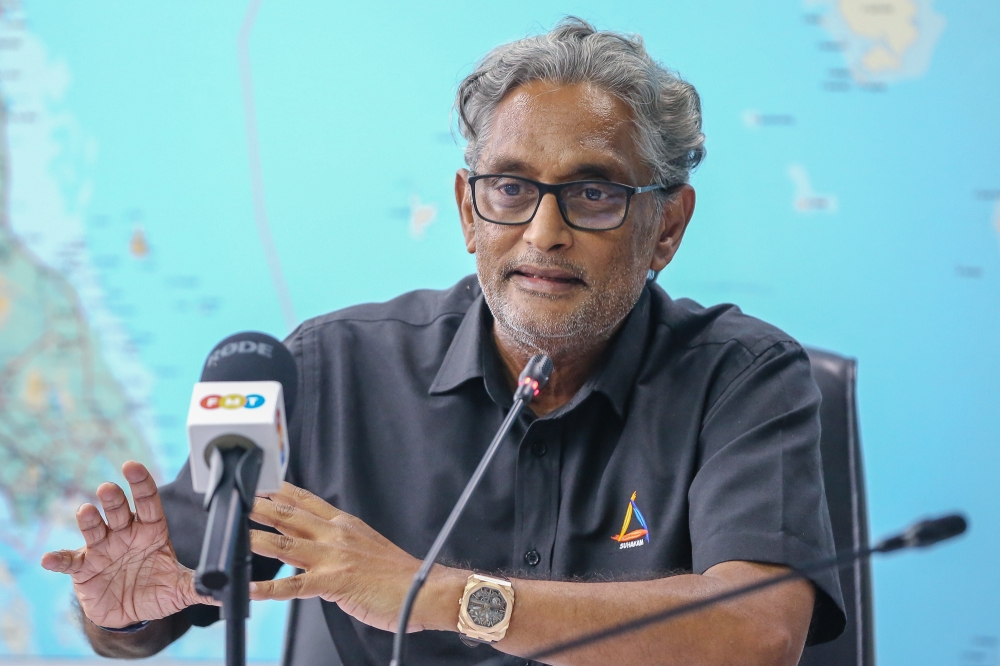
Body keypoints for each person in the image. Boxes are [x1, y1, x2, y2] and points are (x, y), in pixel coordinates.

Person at [41, 18, 844, 666]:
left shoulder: (744, 377)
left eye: (593, 193)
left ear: (665, 225)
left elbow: (756, 637)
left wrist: (430, 594)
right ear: (468, 211)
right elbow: (164, 598)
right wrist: (118, 616)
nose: (545, 232)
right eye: (510, 188)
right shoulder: (328, 371)